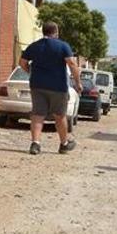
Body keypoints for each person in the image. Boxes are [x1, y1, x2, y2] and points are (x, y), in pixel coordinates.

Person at [19, 21, 82, 155]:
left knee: (37, 114)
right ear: (56, 32)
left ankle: (35, 144)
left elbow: (22, 62)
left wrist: (31, 71)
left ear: (44, 32)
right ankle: (64, 144)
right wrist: (78, 83)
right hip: (57, 87)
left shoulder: (34, 46)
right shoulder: (63, 46)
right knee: (60, 116)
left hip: (37, 85)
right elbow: (72, 64)